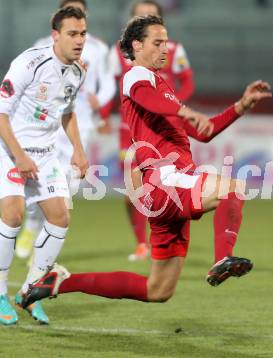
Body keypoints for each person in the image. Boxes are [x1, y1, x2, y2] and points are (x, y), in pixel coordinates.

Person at [22, 15, 271, 308]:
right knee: (232, 188)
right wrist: (184, 111)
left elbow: (204, 132)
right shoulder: (136, 76)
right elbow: (150, 101)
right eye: (158, 42)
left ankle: (58, 282)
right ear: (137, 46)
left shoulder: (160, 86)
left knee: (158, 290)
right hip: (164, 179)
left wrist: (240, 107)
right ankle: (223, 258)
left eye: (166, 42)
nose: (166, 49)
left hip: (164, 192)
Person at [0, 6, 89, 325]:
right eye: (72, 34)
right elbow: (1, 114)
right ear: (56, 35)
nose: (79, 40)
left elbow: (68, 112)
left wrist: (78, 150)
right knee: (12, 214)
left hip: (45, 154)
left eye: (82, 33)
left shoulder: (78, 71)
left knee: (60, 217)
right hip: (10, 149)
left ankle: (29, 292)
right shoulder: (29, 62)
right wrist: (20, 156)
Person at [15, 0, 116, 261]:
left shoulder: (97, 48)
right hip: (47, 124)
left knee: (66, 187)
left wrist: (100, 104)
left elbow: (108, 84)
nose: (77, 35)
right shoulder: (40, 46)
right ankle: (33, 227)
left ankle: (41, 235)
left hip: (80, 121)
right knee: (43, 183)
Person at [106, 0, 195, 261]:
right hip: (132, 130)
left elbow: (188, 81)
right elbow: (113, 86)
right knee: (134, 189)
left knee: (167, 184)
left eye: (152, 15)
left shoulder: (174, 49)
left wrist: (173, 106)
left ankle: (163, 240)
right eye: (141, 15)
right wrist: (102, 113)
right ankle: (141, 243)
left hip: (165, 128)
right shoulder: (119, 53)